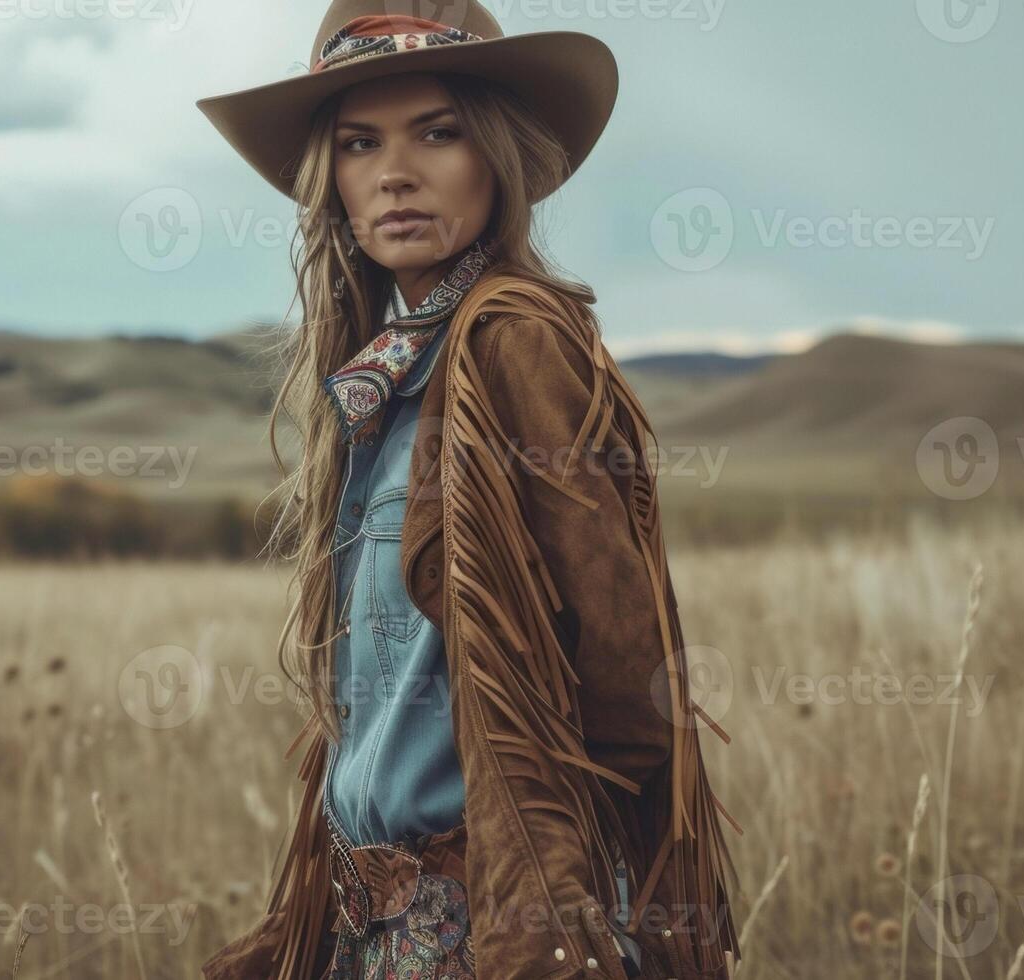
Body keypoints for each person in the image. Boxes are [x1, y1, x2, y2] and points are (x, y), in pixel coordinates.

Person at [196, 3, 741, 977]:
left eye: (438, 132)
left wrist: (547, 883)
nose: (395, 173)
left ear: (498, 153)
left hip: (495, 919)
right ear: (334, 183)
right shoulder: (380, 379)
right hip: (375, 919)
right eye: (361, 144)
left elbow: (628, 672)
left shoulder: (510, 340)